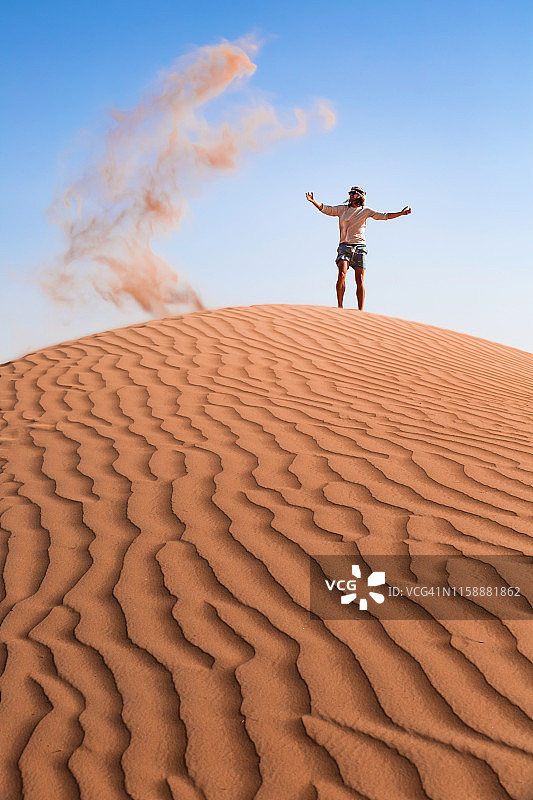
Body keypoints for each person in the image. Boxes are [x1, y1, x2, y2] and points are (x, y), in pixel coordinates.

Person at [306, 186, 411, 310]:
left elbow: (384, 216)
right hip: (344, 246)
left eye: (354, 193)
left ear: (360, 196)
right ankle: (340, 307)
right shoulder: (342, 209)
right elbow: (326, 209)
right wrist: (314, 201)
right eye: (350, 193)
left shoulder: (365, 211)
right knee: (341, 274)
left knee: (359, 279)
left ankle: (360, 311)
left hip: (360, 247)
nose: (351, 195)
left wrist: (401, 213)